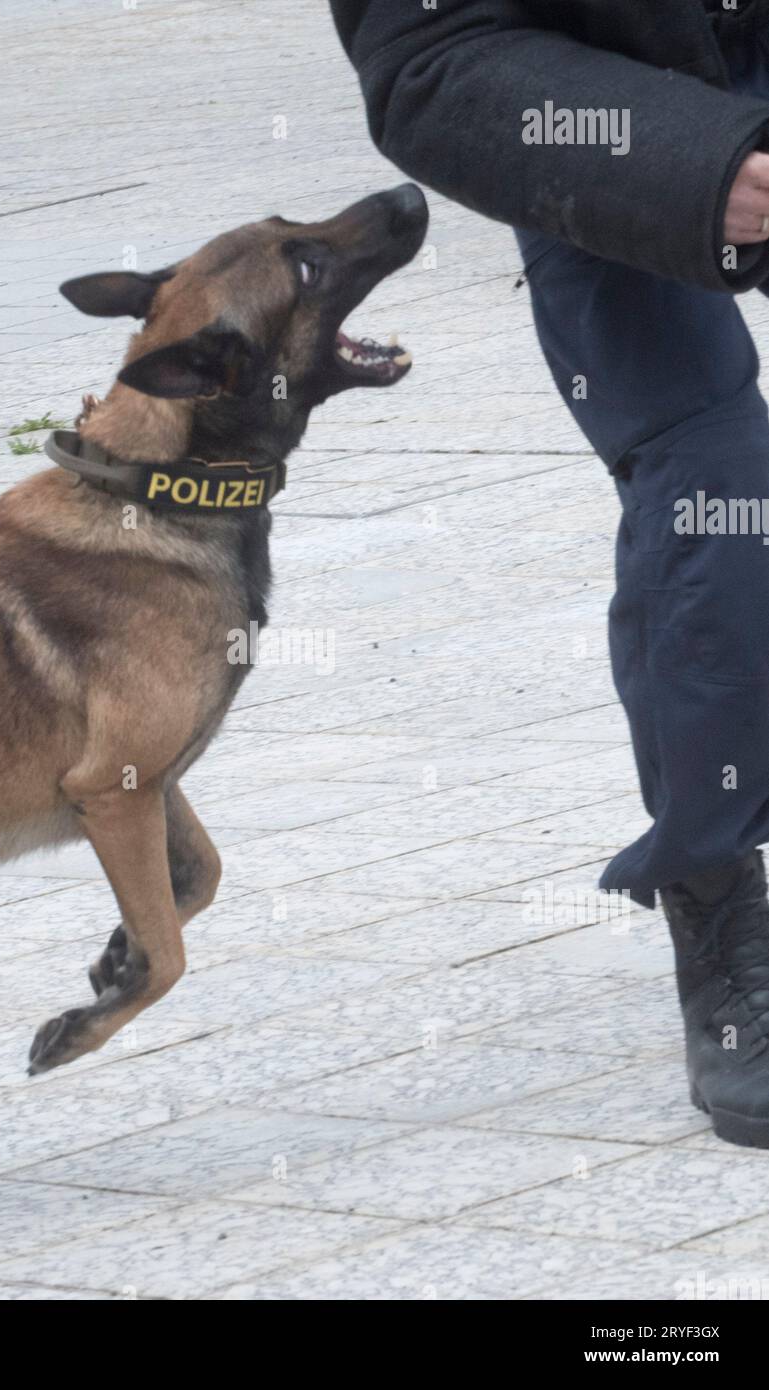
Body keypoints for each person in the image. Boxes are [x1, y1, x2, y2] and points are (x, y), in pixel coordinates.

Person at [329, 0, 769, 1148]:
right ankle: (717, 910)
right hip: (608, 110)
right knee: (716, 497)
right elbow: (426, 58)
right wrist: (689, 165)